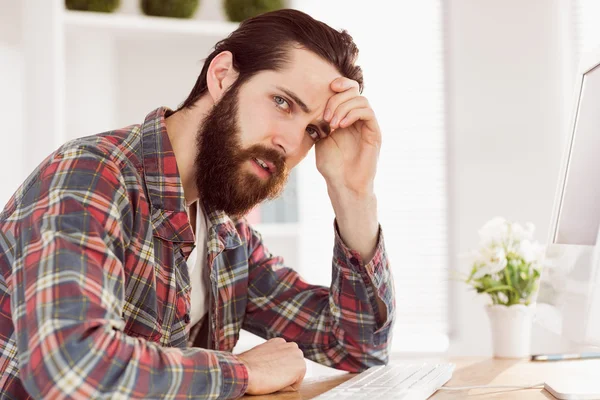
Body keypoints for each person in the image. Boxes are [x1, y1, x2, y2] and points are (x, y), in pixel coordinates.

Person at [0, 8, 395, 399]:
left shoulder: (225, 229)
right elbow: (69, 366)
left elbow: (357, 349)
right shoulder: (89, 177)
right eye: (282, 102)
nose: (291, 144)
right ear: (223, 75)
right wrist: (244, 371)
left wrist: (353, 194)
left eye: (312, 130)